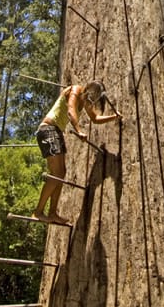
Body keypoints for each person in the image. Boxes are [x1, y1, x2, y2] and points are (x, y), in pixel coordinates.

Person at [33, 82, 120, 224]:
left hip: (56, 132)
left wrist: (114, 117)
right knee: (56, 173)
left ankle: (52, 212)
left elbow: (95, 119)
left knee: (61, 173)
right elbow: (71, 111)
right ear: (87, 92)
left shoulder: (85, 100)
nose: (89, 103)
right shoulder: (75, 90)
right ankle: (37, 212)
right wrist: (79, 130)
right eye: (90, 99)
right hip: (48, 130)